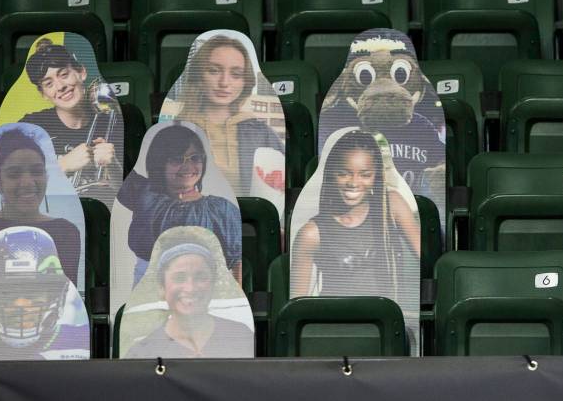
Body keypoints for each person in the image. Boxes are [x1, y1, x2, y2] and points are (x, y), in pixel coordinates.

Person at [291, 129, 419, 300]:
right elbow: (297, 303)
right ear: (331, 175)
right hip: (336, 322)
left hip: (388, 321)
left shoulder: (392, 205)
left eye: (365, 175)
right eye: (343, 174)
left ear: (377, 177)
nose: (353, 183)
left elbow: (427, 261)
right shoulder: (311, 234)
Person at [122, 124, 242, 284]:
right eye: (177, 159)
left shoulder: (222, 210)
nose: (188, 166)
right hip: (147, 289)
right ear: (159, 162)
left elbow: (237, 263)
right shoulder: (145, 195)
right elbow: (115, 170)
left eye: (195, 158)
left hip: (202, 291)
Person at [174, 35, 284, 196]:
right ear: (199, 77)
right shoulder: (176, 130)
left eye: (236, 74)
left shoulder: (261, 132)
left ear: (244, 82)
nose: (224, 82)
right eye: (214, 71)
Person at [20, 39, 122, 197]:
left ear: (81, 72)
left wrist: (113, 166)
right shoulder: (31, 127)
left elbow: (134, 199)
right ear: (43, 94)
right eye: (49, 84)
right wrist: (62, 165)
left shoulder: (113, 120)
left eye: (64, 75)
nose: (60, 86)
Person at [124, 235, 252, 358]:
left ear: (213, 284)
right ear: (162, 287)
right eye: (179, 278)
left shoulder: (241, 336)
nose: (190, 288)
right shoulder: (142, 353)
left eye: (200, 277)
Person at [0, 126, 80, 283]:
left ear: (46, 177)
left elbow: (67, 296)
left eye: (37, 171)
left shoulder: (66, 232)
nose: (28, 183)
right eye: (14, 174)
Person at [0, 226, 89, 361]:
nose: (20, 304)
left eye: (32, 293)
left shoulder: (85, 342)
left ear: (56, 295)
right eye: (7, 293)